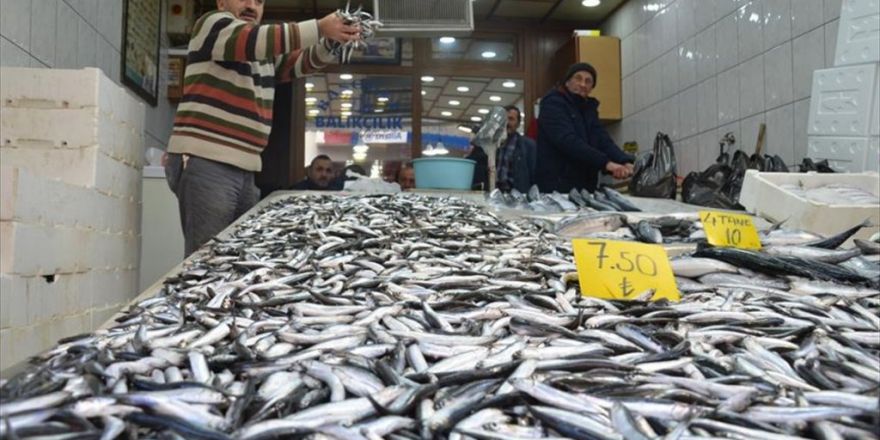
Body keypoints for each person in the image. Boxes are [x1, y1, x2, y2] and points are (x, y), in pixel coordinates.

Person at [164, 0, 360, 256]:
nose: (251, 6)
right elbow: (254, 40)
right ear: (221, 1)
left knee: (237, 256)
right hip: (208, 161)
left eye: (258, 2)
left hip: (246, 168)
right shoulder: (213, 24)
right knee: (206, 260)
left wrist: (334, 41)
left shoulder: (260, 51)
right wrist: (321, 27)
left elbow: (299, 63)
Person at [535, 62, 634, 193]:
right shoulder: (552, 104)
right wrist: (607, 163)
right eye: (578, 78)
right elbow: (568, 141)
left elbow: (603, 140)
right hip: (556, 188)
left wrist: (625, 161)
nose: (583, 84)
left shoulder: (589, 110)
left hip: (585, 187)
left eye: (588, 81)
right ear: (567, 81)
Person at [495, 105, 536, 193]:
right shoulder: (492, 143)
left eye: (511, 119)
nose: (507, 122)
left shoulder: (528, 145)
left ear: (518, 123)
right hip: (495, 193)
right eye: (504, 119)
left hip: (517, 196)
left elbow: (534, 175)